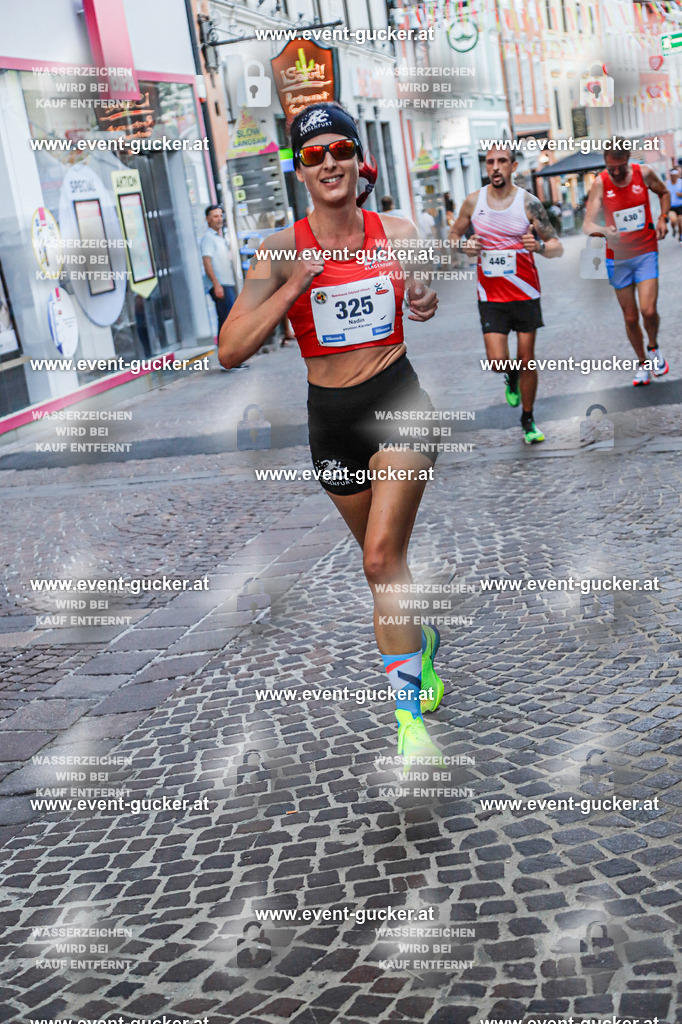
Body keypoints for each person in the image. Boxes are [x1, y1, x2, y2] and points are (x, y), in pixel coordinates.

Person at [220, 101, 445, 765]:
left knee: (380, 558)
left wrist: (423, 297)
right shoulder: (279, 251)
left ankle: (410, 730)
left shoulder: (397, 231)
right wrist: (290, 289)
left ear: (357, 158)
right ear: (299, 169)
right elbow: (230, 348)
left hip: (398, 402)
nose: (329, 164)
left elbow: (422, 294)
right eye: (313, 155)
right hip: (332, 425)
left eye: (339, 150)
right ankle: (420, 642)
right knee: (387, 574)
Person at [448, 145, 563, 444]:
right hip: (491, 297)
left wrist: (538, 246)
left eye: (502, 162)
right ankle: (509, 375)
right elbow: (452, 236)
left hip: (525, 293)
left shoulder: (530, 204)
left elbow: (556, 246)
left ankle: (528, 419)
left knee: (528, 359)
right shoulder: (473, 202)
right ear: (485, 167)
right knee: (498, 360)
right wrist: (464, 247)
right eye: (490, 162)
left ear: (513, 166)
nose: (496, 167)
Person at [582, 141, 670, 385]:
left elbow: (664, 192)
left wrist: (662, 218)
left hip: (645, 251)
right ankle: (642, 363)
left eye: (621, 167)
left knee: (648, 310)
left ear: (628, 158)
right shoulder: (600, 182)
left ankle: (653, 348)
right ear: (605, 162)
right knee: (630, 317)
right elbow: (587, 225)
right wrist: (604, 231)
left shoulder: (644, 173)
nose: (617, 173)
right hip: (617, 257)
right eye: (612, 168)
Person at [200, 205, 237, 338]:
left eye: (221, 216)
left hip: (227, 284)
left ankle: (227, 355)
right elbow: (207, 262)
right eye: (215, 216)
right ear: (208, 219)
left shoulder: (220, 238)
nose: (219, 219)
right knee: (228, 321)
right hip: (221, 285)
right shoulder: (208, 239)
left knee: (225, 320)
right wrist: (216, 284)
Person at [666, 166, 682, 242]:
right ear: (670, 176)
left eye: (675, 176)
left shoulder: (680, 182)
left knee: (681, 224)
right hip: (671, 207)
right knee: (673, 220)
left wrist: (680, 195)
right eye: (672, 176)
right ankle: (674, 230)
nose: (673, 177)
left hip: (680, 206)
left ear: (677, 175)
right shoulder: (667, 184)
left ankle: (680, 236)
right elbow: (663, 195)